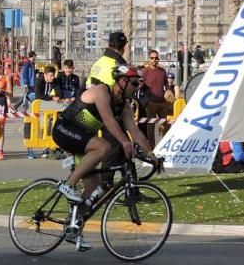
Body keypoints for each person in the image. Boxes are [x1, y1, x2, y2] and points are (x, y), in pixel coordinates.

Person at [52, 65, 157, 216]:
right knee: (103, 146)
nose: (137, 87)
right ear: (122, 82)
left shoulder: (124, 106)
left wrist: (151, 154)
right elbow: (108, 120)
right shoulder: (102, 92)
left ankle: (74, 225)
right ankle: (68, 185)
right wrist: (125, 142)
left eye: (139, 83)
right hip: (64, 129)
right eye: (134, 83)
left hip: (83, 140)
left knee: (94, 189)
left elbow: (136, 132)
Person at [140, 49, 172, 146]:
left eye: (156, 58)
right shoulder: (145, 71)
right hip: (150, 102)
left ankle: (165, 145)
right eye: (152, 58)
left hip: (162, 102)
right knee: (150, 125)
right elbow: (140, 84)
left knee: (165, 124)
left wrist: (168, 90)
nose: (154, 60)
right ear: (149, 59)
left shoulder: (162, 71)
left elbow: (166, 83)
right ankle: (151, 147)